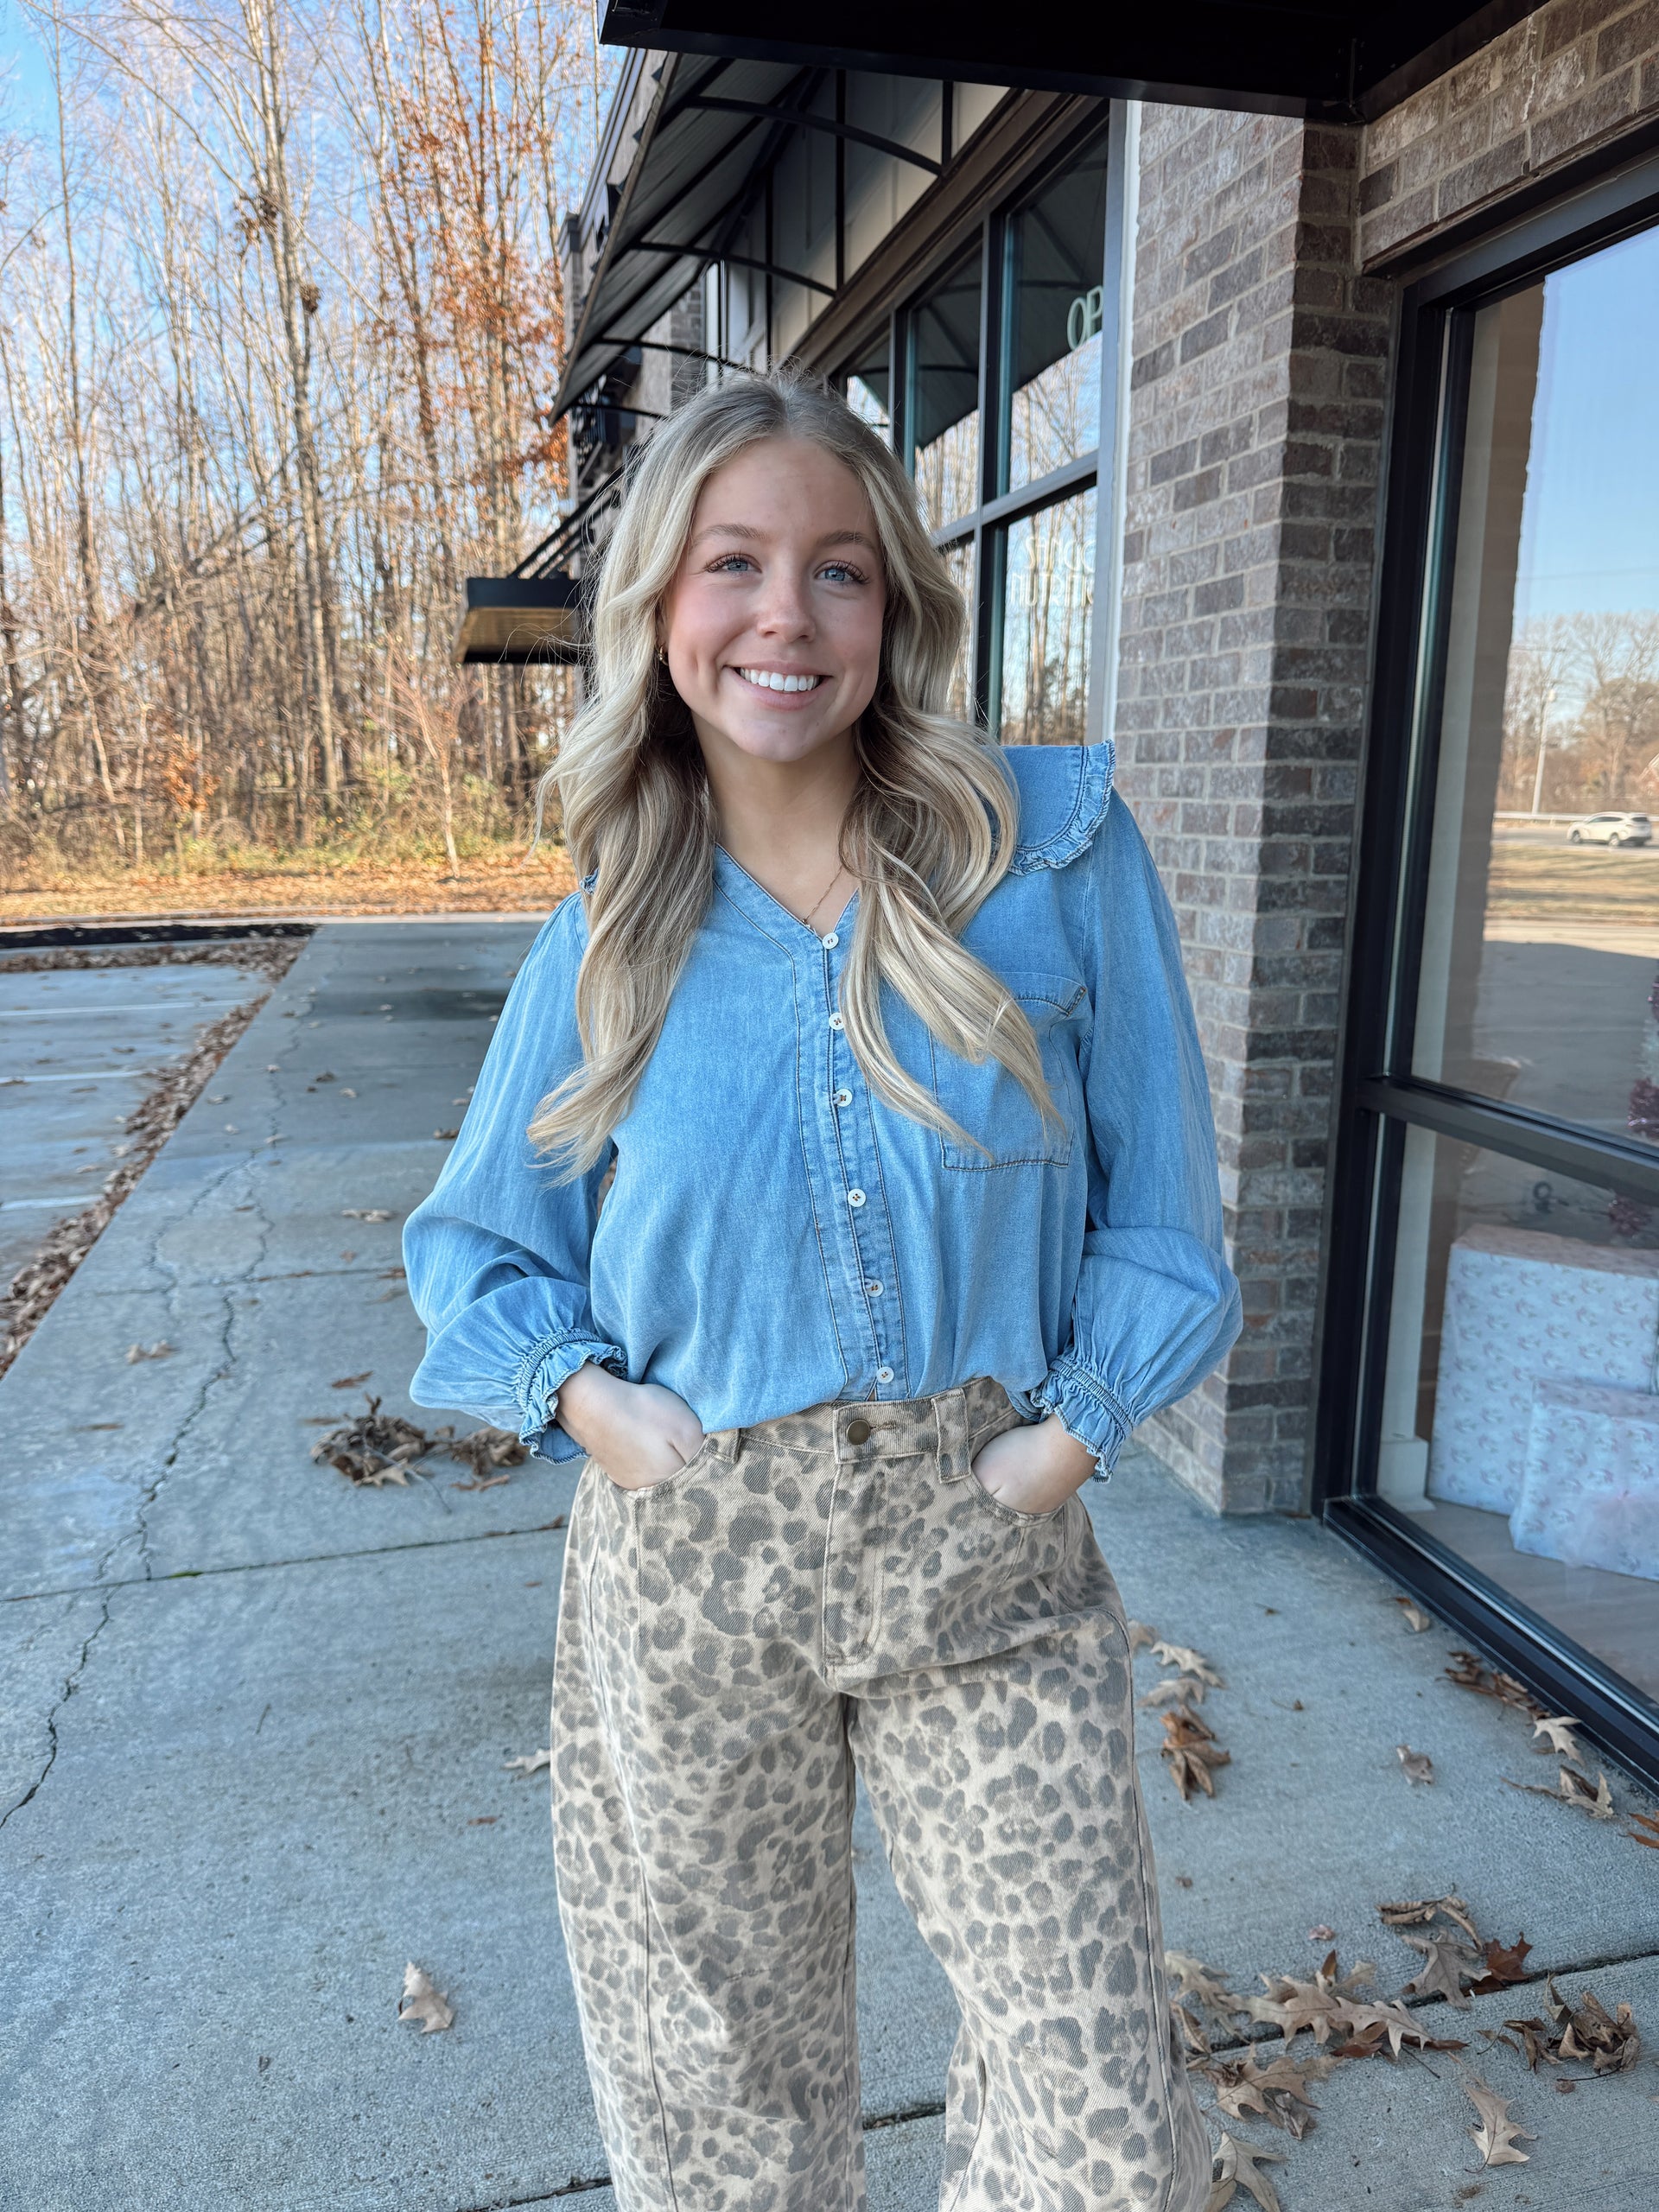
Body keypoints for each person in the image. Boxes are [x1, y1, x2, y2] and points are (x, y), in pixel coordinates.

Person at [403, 366, 1242, 2212]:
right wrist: (598, 1410)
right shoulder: (611, 930)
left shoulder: (1050, 854)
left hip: (985, 1548)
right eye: (735, 563)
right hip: (698, 1560)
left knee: (1100, 2104)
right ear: (662, 607)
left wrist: (1065, 1440)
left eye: (838, 568)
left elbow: (1168, 1218)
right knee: (722, 2101)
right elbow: (476, 1246)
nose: (785, 614)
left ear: (894, 606)